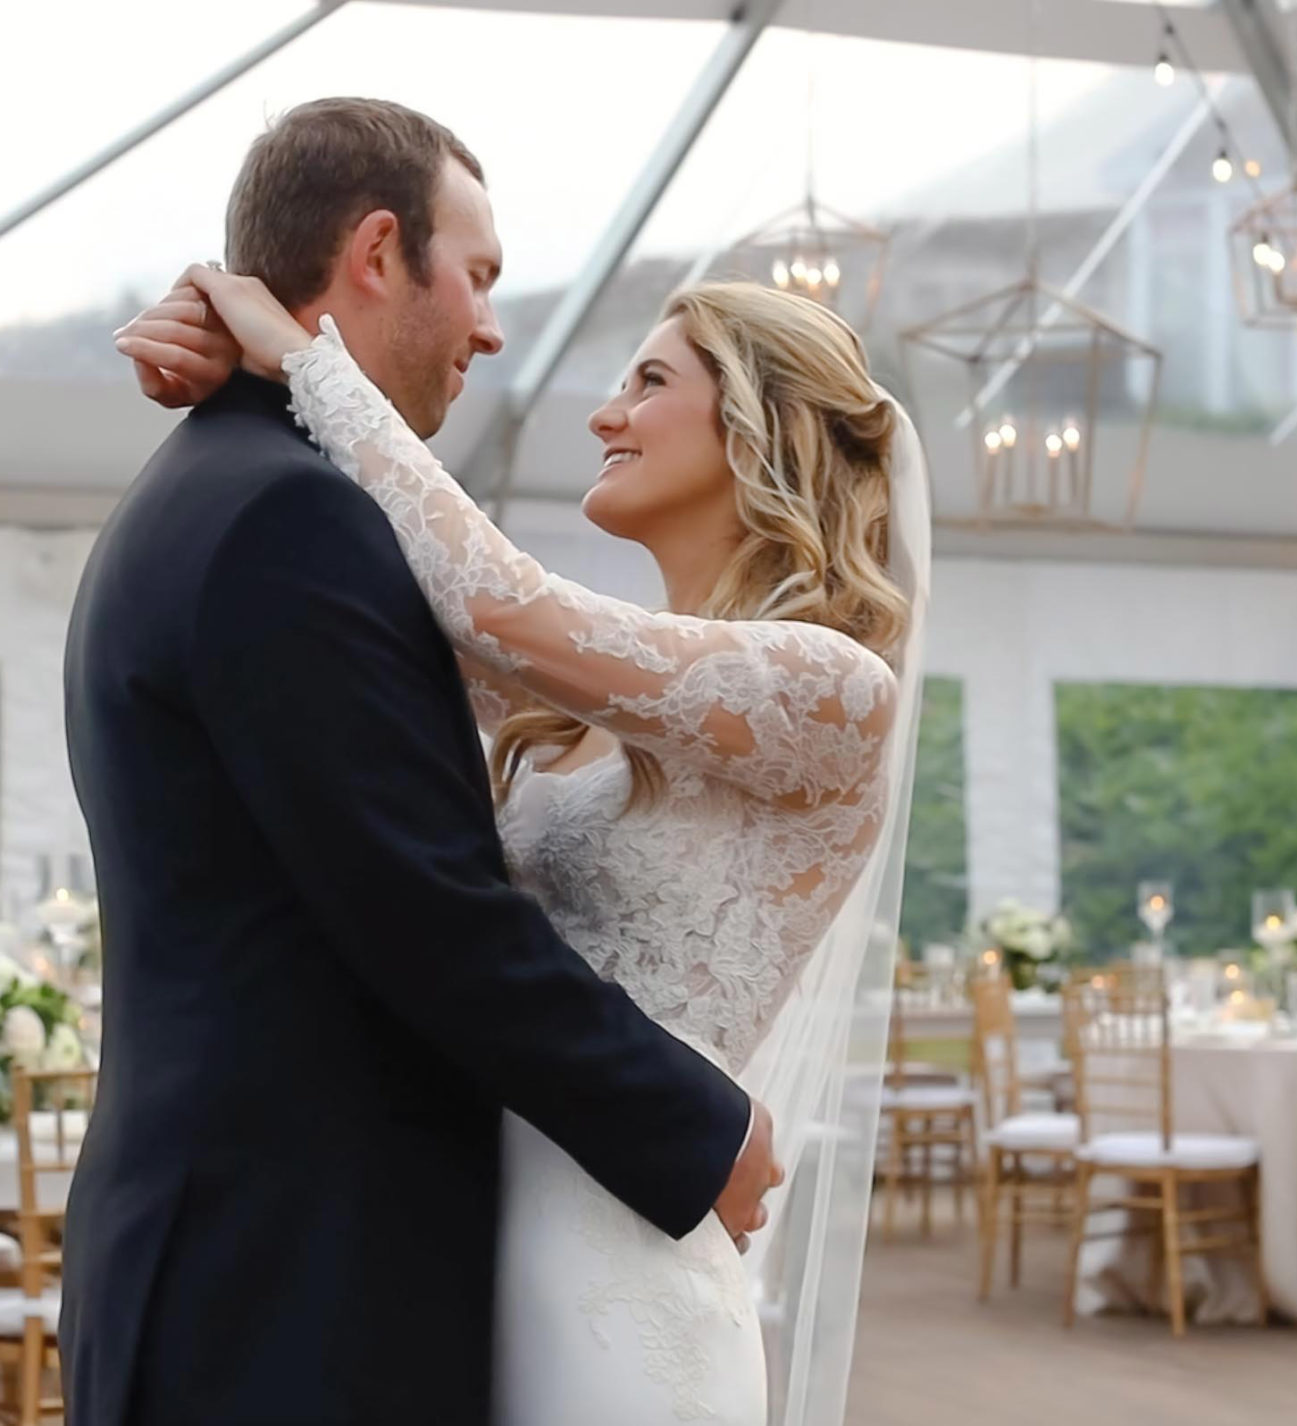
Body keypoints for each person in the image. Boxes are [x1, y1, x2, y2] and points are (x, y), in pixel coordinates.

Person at [111, 103, 931, 1426]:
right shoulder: (575, 700)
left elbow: (494, 597)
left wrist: (299, 356)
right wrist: (235, 366)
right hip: (470, 1245)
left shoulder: (831, 690)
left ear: (763, 433)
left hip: (627, 1246)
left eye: (651, 381)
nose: (604, 409)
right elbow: (392, 620)